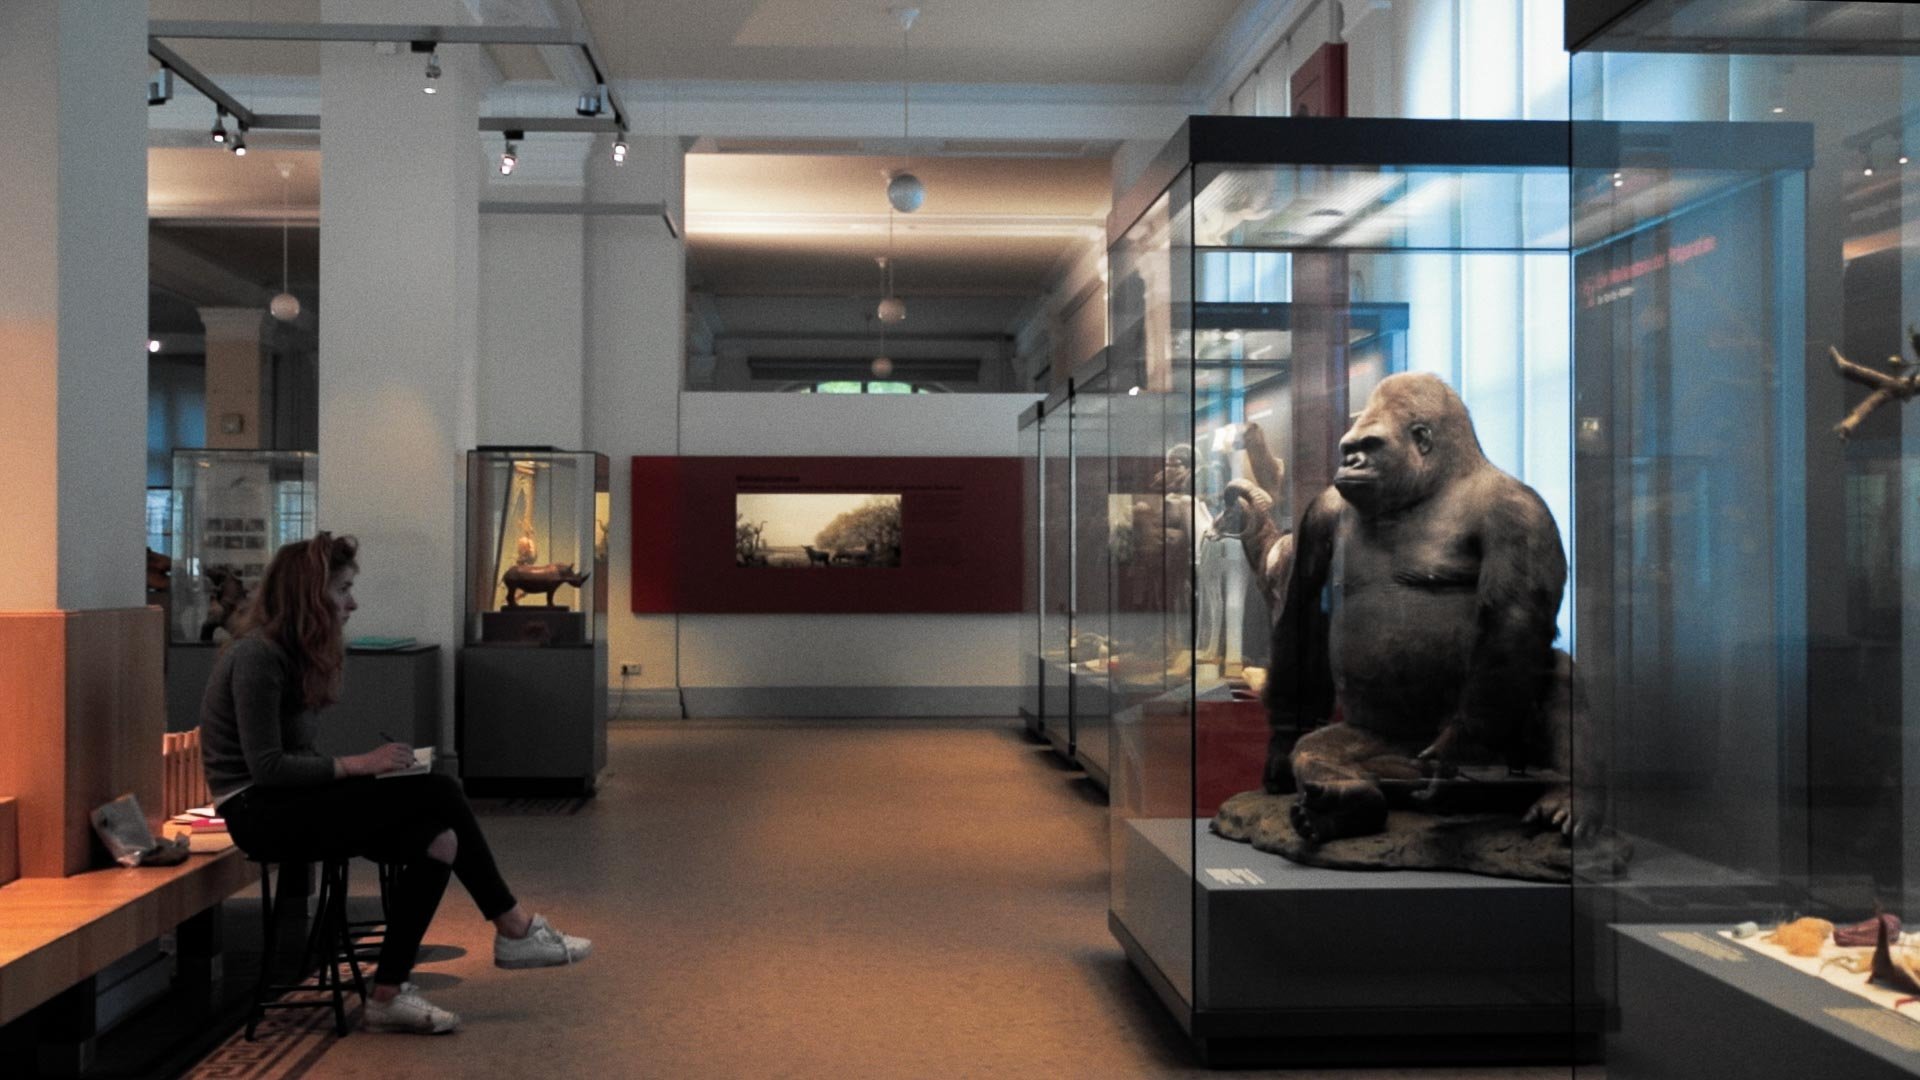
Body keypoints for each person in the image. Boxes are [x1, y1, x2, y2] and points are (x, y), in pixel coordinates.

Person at [200, 532, 591, 1035]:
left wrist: (371, 772)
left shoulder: (288, 653)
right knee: (440, 790)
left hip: (286, 802)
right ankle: (513, 926)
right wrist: (361, 766)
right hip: (257, 813)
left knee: (439, 841)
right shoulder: (257, 656)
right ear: (309, 595)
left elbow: (292, 762)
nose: (352, 603)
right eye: (342, 590)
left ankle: (387, 993)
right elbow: (267, 769)